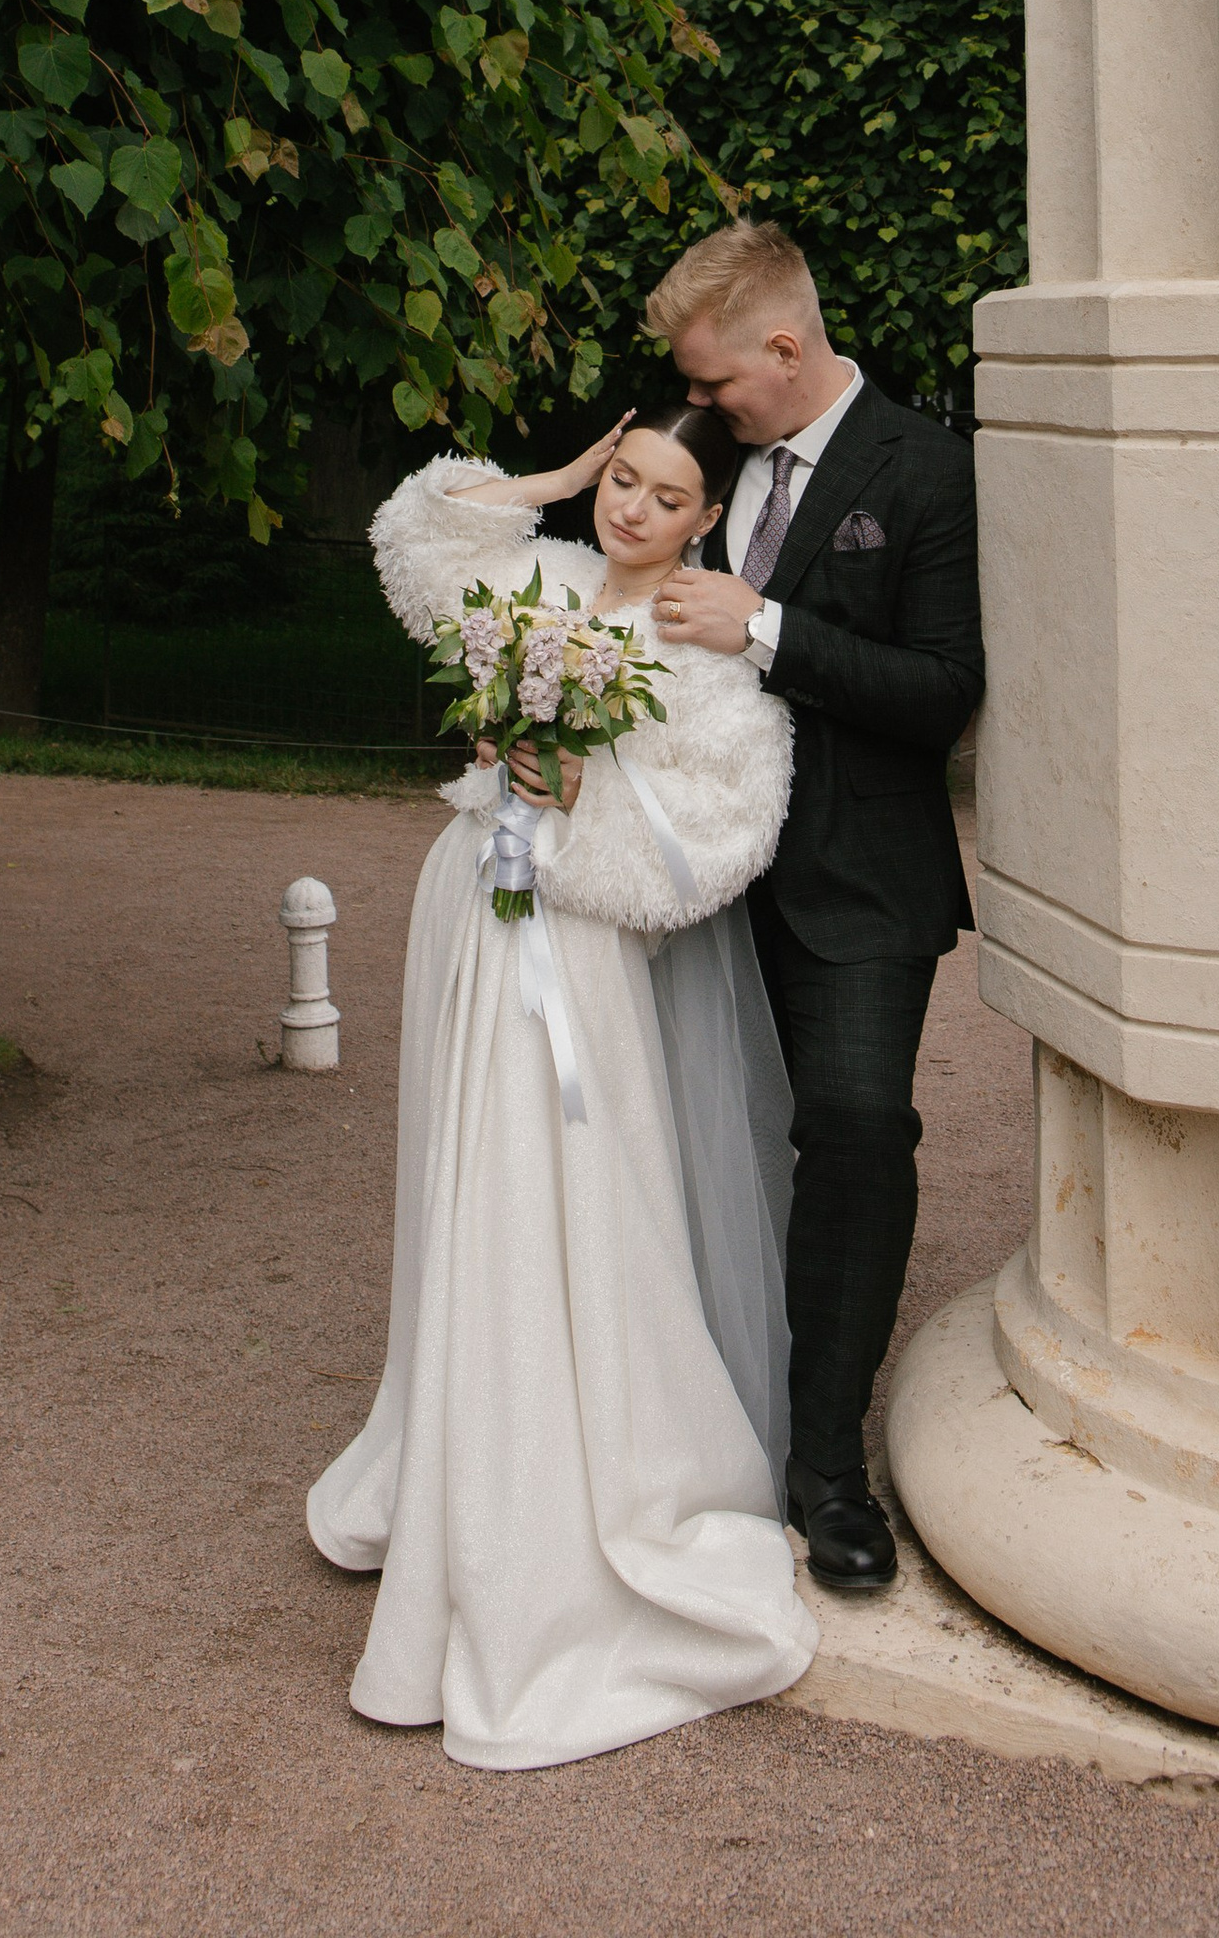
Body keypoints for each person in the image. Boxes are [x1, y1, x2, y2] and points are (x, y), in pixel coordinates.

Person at [306, 396, 818, 1770]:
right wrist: (554, 475)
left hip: (576, 953)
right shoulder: (541, 574)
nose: (632, 509)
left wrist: (585, 801)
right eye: (624, 479)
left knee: (567, 1190)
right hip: (470, 914)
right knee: (465, 1181)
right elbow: (414, 537)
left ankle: (572, 1480)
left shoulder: (706, 645)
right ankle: (452, 1444)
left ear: (709, 518)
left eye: (664, 495)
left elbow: (725, 837)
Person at [643, 220, 983, 1596]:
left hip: (861, 880)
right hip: (691, 875)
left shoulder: (929, 470)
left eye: (716, 380)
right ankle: (677, 1423)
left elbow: (942, 691)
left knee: (853, 1134)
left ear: (785, 348)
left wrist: (767, 628)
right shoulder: (703, 451)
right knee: (670, 1133)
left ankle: (828, 1466)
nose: (697, 402)